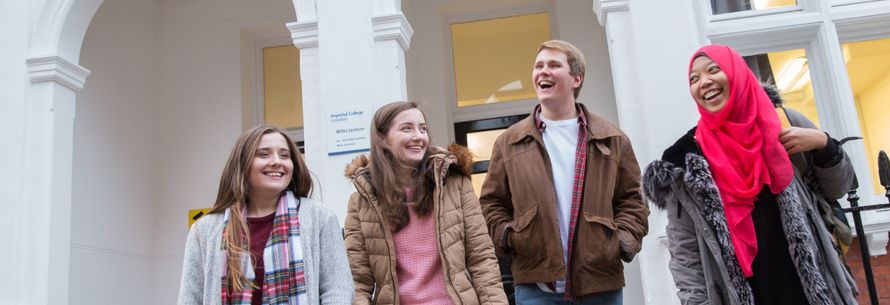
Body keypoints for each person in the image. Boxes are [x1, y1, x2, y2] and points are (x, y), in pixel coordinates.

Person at [641, 44, 859, 305]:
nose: (704, 82)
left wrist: (824, 144)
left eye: (714, 70)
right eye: (694, 78)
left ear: (737, 73)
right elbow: (684, 250)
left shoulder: (785, 123)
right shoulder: (685, 161)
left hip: (810, 286)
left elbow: (838, 189)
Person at [480, 39, 649, 304]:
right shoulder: (509, 142)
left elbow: (633, 200)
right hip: (536, 288)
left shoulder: (613, 138)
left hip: (600, 285)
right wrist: (510, 236)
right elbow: (492, 203)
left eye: (553, 65)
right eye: (538, 66)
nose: (542, 72)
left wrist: (619, 242)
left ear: (576, 78)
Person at [343, 101, 508, 305]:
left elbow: (482, 260)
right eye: (406, 128)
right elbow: (358, 281)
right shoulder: (361, 200)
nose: (418, 136)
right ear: (382, 138)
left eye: (422, 129)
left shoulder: (455, 185)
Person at [178, 125, 353, 305]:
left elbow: (338, 292)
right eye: (264, 154)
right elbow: (190, 298)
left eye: (284, 155)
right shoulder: (204, 230)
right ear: (242, 164)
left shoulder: (321, 218)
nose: (277, 161)